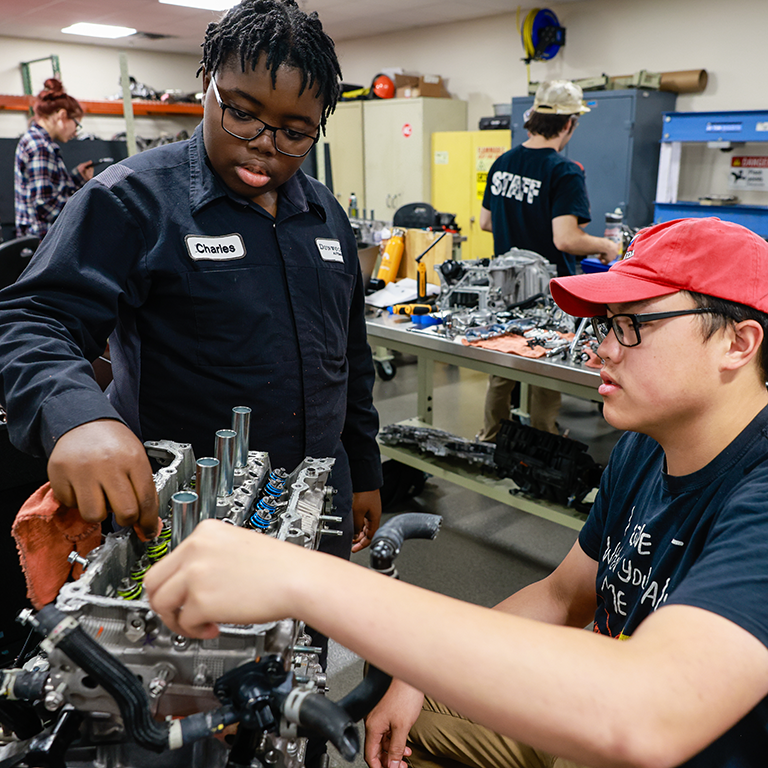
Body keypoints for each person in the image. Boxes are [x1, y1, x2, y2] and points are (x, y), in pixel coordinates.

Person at [146, 217, 768, 768]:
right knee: (402, 713)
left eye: (632, 326)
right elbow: (561, 597)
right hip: (606, 701)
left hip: (657, 734)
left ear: (738, 344)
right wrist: (419, 676)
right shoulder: (645, 446)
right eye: (607, 325)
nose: (603, 348)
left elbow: (648, 715)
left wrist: (300, 577)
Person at [0, 0, 382, 558]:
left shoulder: (325, 214)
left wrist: (363, 466)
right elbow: (33, 317)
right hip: (189, 519)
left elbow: (349, 355)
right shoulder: (133, 200)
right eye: (243, 113)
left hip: (314, 505)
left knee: (302, 645)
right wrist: (77, 418)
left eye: (295, 132)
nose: (264, 144)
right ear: (206, 84)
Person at [477, 80, 619, 440]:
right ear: (569, 123)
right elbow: (566, 239)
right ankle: (543, 441)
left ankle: (492, 436)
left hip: (504, 286)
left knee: (503, 365)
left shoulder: (503, 162)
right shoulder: (564, 171)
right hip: (548, 291)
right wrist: (606, 247)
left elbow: (486, 222)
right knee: (546, 364)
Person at [14, 78, 94, 239]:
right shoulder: (40, 147)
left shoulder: (37, 141)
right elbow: (46, 205)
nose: (76, 132)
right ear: (63, 116)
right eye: (77, 124)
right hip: (42, 242)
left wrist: (77, 179)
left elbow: (48, 193)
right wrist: (85, 206)